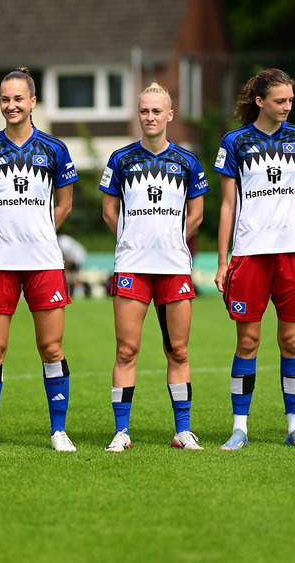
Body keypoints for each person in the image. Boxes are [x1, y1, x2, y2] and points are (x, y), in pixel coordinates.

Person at [0, 67, 78, 453]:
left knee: (52, 349)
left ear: (32, 102)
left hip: (44, 260)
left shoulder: (56, 150)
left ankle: (58, 431)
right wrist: (1, 234)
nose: (11, 106)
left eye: (18, 99)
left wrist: (40, 232)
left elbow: (65, 204)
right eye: (5, 99)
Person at [214, 69, 295, 451]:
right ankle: (239, 428)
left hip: (293, 254)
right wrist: (223, 260)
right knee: (248, 342)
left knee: (291, 342)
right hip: (249, 255)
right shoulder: (234, 142)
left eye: (290, 100)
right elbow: (227, 205)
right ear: (259, 101)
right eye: (280, 101)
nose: (287, 107)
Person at [101, 82, 209, 452]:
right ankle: (121, 432)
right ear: (138, 114)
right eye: (144, 111)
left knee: (178, 350)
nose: (150, 117)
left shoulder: (187, 161)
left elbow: (197, 213)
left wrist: (173, 241)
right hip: (131, 265)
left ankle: (182, 431)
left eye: (157, 111)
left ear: (170, 115)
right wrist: (132, 240)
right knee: (126, 350)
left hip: (174, 266)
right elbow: (109, 211)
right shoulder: (120, 159)